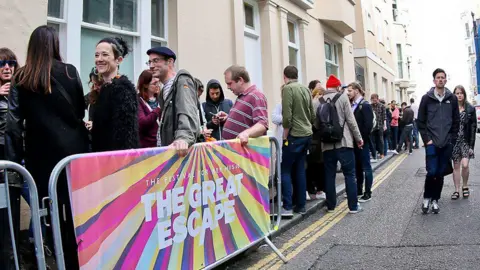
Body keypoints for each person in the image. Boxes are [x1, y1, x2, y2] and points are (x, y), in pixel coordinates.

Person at [6, 25, 90, 269]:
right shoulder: (71, 73)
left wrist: (14, 163)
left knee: (47, 212)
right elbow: (79, 111)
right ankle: (77, 260)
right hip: (73, 155)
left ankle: (56, 259)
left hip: (40, 157)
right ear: (54, 44)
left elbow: (12, 125)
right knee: (75, 213)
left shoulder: (21, 79)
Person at [417, 68, 459, 214]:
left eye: (443, 77)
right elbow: (420, 122)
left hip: (446, 142)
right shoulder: (426, 98)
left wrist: (452, 140)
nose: (440, 79)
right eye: (438, 77)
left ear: (446, 80)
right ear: (434, 80)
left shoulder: (451, 99)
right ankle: (427, 198)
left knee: (440, 172)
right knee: (431, 171)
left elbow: (456, 121)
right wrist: (427, 140)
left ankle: (435, 200)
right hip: (432, 142)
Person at [319, 75, 363, 214]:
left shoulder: (318, 100)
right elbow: (351, 121)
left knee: (329, 175)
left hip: (327, 145)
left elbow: (316, 124)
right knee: (350, 175)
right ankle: (353, 207)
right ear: (338, 87)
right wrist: (358, 138)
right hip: (344, 142)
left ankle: (331, 206)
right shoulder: (343, 98)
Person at [147, 46, 199, 156]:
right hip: (171, 152)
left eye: (156, 61)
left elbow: (187, 111)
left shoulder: (182, 80)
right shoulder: (163, 90)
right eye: (149, 62)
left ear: (170, 62)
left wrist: (183, 138)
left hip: (181, 152)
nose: (151, 66)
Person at [91, 37, 139, 152]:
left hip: (116, 163)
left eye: (105, 55)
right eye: (97, 55)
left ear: (119, 60)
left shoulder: (122, 89)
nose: (99, 59)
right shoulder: (106, 88)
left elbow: (126, 137)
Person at [279, 66, 315, 216]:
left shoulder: (288, 89)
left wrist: (285, 136)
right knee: (300, 169)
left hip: (294, 135)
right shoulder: (306, 89)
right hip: (307, 134)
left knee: (285, 169)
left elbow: (287, 117)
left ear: (284, 76)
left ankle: (287, 206)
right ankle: (301, 205)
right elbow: (312, 114)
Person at [0, 47, 21, 269]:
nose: (7, 68)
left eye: (11, 63)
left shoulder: (19, 90)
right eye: (2, 64)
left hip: (18, 159)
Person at [221, 65, 268, 145]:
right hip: (234, 153)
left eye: (229, 83)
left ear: (240, 80)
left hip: (244, 154)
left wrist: (246, 134)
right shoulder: (242, 96)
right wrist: (228, 118)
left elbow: (262, 124)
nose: (228, 87)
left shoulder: (256, 96)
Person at [347, 83, 374, 202]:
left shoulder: (365, 105)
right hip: (355, 142)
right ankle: (358, 190)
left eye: (350, 90)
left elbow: (368, 125)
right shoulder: (352, 105)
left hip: (363, 142)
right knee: (357, 167)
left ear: (357, 91)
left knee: (366, 167)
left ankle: (367, 192)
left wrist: (361, 139)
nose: (348, 93)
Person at [451, 85, 476, 200]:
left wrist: (471, 145)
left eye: (461, 93)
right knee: (456, 166)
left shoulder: (470, 108)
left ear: (464, 94)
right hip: (455, 141)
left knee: (465, 165)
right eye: (457, 93)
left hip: (465, 141)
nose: (459, 95)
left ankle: (465, 186)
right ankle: (456, 190)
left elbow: (473, 128)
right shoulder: (451, 108)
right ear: (454, 95)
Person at [307, 80, 326, 201]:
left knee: (311, 165)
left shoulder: (312, 103)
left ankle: (312, 189)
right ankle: (319, 189)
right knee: (319, 165)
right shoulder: (319, 103)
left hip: (313, 137)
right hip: (318, 137)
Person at [137, 70, 161, 148]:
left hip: (162, 145)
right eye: (154, 83)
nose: (158, 85)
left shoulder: (160, 99)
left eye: (158, 82)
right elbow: (143, 123)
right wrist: (158, 109)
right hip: (147, 149)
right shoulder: (138, 101)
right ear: (145, 85)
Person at [370, 94, 386, 160]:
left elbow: (384, 116)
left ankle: (382, 154)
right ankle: (374, 155)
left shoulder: (382, 106)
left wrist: (385, 125)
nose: (374, 101)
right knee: (372, 141)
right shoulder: (370, 106)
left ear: (377, 99)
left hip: (380, 126)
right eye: (373, 99)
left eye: (375, 99)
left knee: (380, 140)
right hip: (372, 127)